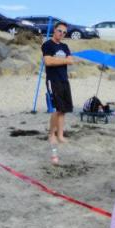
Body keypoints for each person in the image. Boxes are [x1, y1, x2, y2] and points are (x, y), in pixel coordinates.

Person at [42, 21, 74, 164]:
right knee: (56, 109)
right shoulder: (47, 45)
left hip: (64, 80)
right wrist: (63, 60)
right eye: (60, 31)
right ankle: (51, 134)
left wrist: (59, 60)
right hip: (53, 80)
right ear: (54, 30)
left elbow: (71, 61)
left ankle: (60, 135)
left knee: (63, 109)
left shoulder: (65, 46)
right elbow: (48, 62)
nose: (62, 34)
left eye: (64, 32)